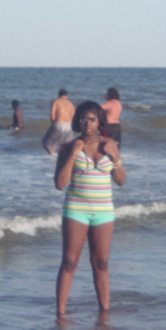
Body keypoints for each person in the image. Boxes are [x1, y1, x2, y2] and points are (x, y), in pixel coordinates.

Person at [53, 99, 126, 315]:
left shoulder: (109, 145)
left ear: (99, 122)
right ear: (78, 121)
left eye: (92, 119)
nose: (87, 123)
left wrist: (115, 157)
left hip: (103, 211)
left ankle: (104, 312)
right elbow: (59, 184)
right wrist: (73, 154)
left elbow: (121, 180)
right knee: (69, 261)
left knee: (101, 263)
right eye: (83, 118)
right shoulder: (68, 147)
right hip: (76, 209)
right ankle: (61, 313)